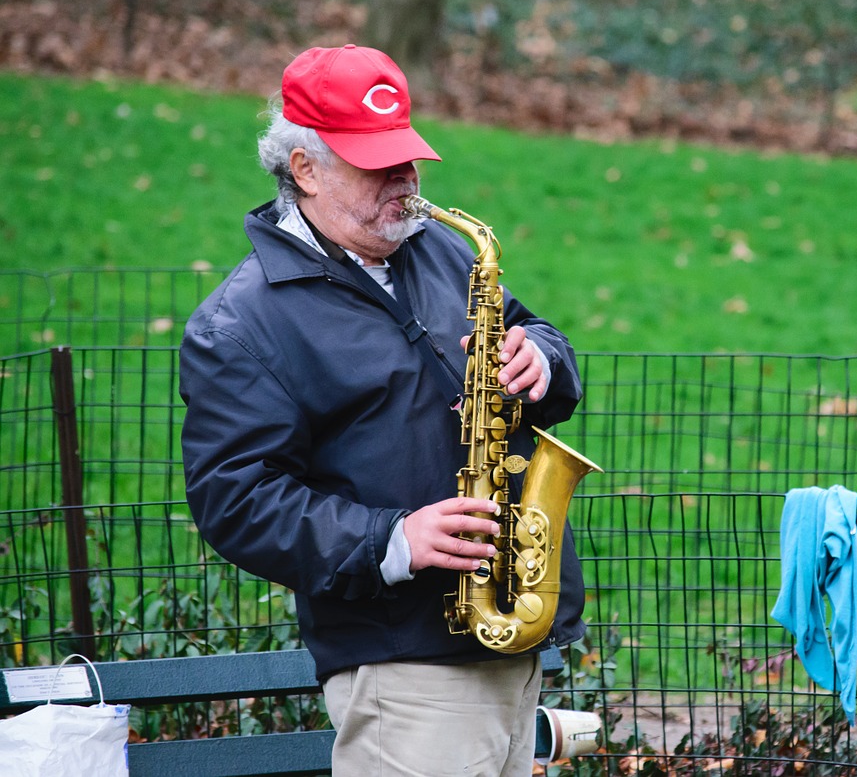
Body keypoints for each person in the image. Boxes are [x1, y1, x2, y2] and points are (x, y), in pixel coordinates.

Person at [179, 43, 588, 777]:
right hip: (401, 665)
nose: (406, 179)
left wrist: (541, 360)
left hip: (511, 637)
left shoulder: (437, 248)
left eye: (407, 155)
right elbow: (234, 501)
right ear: (304, 167)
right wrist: (392, 538)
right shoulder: (239, 324)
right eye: (378, 162)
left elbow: (539, 336)